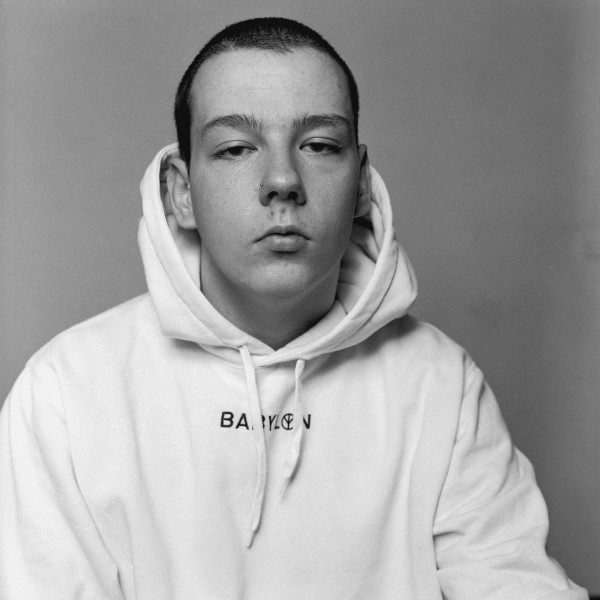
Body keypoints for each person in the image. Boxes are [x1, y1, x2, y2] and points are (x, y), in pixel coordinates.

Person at [0, 17, 589, 600]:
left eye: (319, 145)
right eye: (235, 148)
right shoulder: (64, 393)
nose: (282, 180)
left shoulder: (442, 383)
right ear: (181, 192)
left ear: (360, 182)